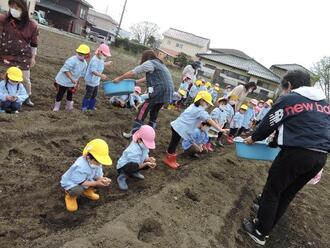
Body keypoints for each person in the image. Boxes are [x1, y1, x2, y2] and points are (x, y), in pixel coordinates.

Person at [243, 70, 330, 246]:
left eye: (283, 87)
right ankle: (267, 225)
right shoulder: (324, 104)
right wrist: (275, 142)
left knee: (272, 191)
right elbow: (301, 126)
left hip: (296, 154)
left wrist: (254, 138)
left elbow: (270, 122)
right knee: (287, 193)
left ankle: (259, 231)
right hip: (320, 156)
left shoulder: (289, 99)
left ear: (289, 85)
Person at [113, 50, 174, 138]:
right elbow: (148, 77)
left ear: (145, 58)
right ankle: (149, 135)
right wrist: (137, 81)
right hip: (168, 91)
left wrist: (119, 78)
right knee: (154, 111)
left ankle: (133, 134)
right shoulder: (160, 64)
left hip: (159, 90)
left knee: (143, 110)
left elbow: (132, 72)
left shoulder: (149, 63)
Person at [163, 91, 227, 169]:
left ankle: (170, 159)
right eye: (207, 103)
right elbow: (209, 120)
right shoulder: (200, 111)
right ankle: (169, 160)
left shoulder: (193, 105)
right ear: (201, 100)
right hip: (179, 128)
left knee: (174, 143)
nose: (207, 105)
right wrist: (220, 129)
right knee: (174, 144)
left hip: (177, 125)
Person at [0, 0, 39, 107]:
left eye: (16, 7)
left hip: (23, 56)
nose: (13, 10)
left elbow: (34, 43)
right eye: (11, 6)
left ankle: (26, 97)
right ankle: (4, 95)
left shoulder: (32, 25)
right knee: (4, 76)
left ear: (23, 8)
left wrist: (33, 57)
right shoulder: (4, 20)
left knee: (25, 79)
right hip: (5, 54)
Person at [60, 139, 112, 212]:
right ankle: (70, 196)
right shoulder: (81, 166)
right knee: (77, 189)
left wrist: (102, 179)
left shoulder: (96, 163)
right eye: (98, 161)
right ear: (88, 157)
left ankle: (87, 191)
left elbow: (98, 175)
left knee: (97, 181)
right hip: (73, 182)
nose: (100, 164)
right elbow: (80, 182)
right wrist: (96, 183)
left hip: (87, 179)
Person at [116, 125, 157, 191]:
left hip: (136, 164)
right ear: (139, 140)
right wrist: (146, 163)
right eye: (146, 143)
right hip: (123, 167)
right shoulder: (134, 150)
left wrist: (149, 159)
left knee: (145, 164)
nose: (147, 146)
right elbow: (135, 165)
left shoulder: (143, 146)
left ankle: (133, 172)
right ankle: (122, 177)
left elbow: (144, 155)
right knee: (134, 166)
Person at [53, 44, 90, 111]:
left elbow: (81, 74)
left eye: (83, 54)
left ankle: (68, 107)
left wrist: (77, 83)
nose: (81, 55)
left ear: (86, 55)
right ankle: (56, 107)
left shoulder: (85, 63)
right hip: (63, 80)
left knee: (70, 94)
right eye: (80, 53)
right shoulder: (72, 60)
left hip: (72, 82)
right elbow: (65, 70)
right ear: (77, 52)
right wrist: (71, 79)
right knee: (60, 93)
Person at [82, 44, 111, 111]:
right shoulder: (94, 60)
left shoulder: (100, 58)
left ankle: (91, 106)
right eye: (105, 55)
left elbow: (101, 63)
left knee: (94, 94)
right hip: (90, 80)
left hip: (96, 81)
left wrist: (106, 63)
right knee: (89, 94)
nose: (105, 57)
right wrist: (101, 75)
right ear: (99, 52)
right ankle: (84, 106)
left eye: (106, 55)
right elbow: (93, 71)